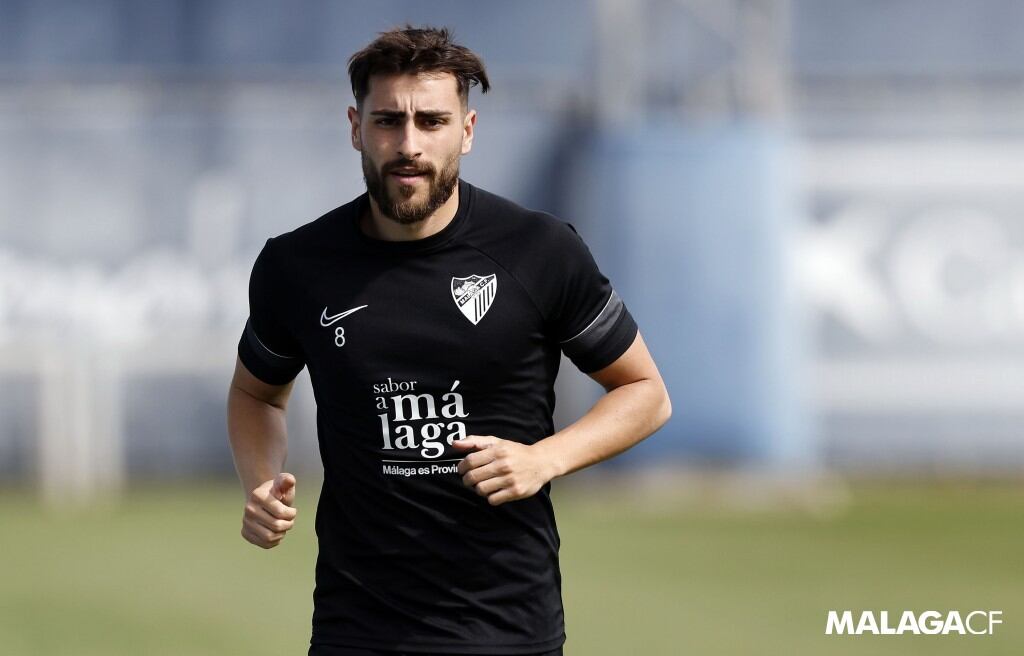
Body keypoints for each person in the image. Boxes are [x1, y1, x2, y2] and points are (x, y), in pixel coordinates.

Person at [226, 24, 671, 656]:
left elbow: (646, 392)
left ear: (466, 130)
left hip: (506, 629)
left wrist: (545, 459)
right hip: (356, 630)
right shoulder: (296, 266)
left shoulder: (540, 250)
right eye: (388, 121)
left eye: (431, 121)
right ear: (355, 126)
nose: (408, 144)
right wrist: (261, 482)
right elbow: (255, 395)